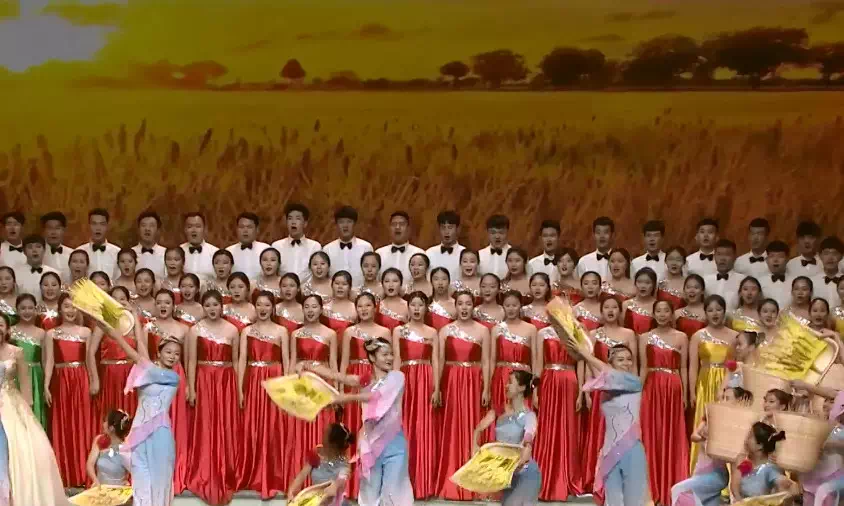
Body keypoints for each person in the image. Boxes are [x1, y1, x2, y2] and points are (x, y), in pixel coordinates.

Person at [301, 337, 414, 506]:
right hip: (370, 446)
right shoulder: (366, 381)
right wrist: (307, 365)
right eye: (385, 355)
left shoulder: (397, 377)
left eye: (391, 354)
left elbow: (375, 396)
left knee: (394, 492)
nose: (390, 358)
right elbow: (339, 376)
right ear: (372, 358)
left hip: (393, 445)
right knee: (370, 493)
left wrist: (343, 398)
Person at [96, 314, 183, 506]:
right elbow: (141, 347)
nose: (172, 356)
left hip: (159, 434)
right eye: (168, 352)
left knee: (159, 482)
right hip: (139, 434)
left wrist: (117, 337)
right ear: (159, 353)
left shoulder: (172, 377)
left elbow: (137, 355)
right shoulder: (149, 369)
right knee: (141, 481)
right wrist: (134, 319)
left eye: (177, 354)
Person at [567, 334, 650, 506]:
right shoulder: (607, 382)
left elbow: (607, 373)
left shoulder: (634, 382)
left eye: (629, 359)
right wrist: (584, 350)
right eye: (620, 359)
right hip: (610, 448)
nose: (626, 363)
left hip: (631, 447)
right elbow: (599, 375)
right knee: (613, 499)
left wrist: (586, 354)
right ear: (611, 362)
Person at [0, 313, 71, 505]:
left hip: (12, 403)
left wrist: (28, 413)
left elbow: (25, 386)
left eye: (1, 325)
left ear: (7, 329)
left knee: (22, 449)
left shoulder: (16, 352)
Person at [185, 290, 242, 505]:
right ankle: (204, 469)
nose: (211, 309)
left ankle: (226, 470)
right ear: (203, 307)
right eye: (207, 305)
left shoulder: (232, 330)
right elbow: (191, 361)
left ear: (222, 307)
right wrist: (191, 387)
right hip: (204, 380)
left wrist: (238, 389)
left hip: (225, 381)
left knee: (225, 424)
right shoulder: (195, 330)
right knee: (205, 425)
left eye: (215, 305)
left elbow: (236, 362)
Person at [436, 291, 490, 500]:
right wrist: (437, 387)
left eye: (468, 304)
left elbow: (486, 361)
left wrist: (486, 388)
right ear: (455, 306)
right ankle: (451, 478)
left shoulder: (483, 331)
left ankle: (473, 480)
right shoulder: (445, 330)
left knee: (472, 425)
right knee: (452, 427)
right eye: (460, 304)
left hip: (473, 382)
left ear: (473, 307)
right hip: (451, 381)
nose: (464, 308)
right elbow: (440, 360)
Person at [583, 296, 636, 496]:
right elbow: (588, 363)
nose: (611, 310)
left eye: (615, 307)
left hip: (622, 391)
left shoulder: (629, 334)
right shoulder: (593, 334)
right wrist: (587, 392)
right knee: (600, 433)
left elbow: (633, 365)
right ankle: (597, 480)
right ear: (601, 311)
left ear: (620, 311)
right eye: (607, 307)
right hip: (601, 390)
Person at [237, 291, 288, 498]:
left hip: (274, 379)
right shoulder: (246, 331)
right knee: (253, 426)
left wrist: (286, 389)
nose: (263, 309)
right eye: (259, 304)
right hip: (253, 380)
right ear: (254, 307)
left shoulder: (282, 331)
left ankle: (273, 475)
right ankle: (253, 473)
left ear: (273, 308)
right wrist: (240, 388)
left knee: (273, 427)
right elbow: (242, 359)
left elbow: (286, 362)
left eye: (267, 305)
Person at [639, 300, 689, 504]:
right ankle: (651, 487)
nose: (662, 314)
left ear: (672, 314)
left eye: (666, 311)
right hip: (652, 387)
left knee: (671, 432)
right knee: (651, 433)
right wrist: (638, 391)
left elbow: (684, 367)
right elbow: (643, 367)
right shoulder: (644, 337)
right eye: (658, 311)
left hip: (673, 387)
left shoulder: (682, 337)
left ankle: (671, 484)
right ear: (653, 314)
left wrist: (685, 393)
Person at [340, 293, 390, 498]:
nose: (364, 309)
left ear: (375, 307)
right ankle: (350, 485)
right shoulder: (349, 332)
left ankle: (374, 484)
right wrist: (341, 388)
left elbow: (387, 362)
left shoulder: (384, 332)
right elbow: (344, 362)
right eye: (360, 306)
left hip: (375, 381)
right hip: (354, 382)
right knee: (353, 430)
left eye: (368, 305)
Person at [43, 293, 95, 487]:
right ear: (59, 309)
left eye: (74, 306)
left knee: (82, 423)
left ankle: (82, 472)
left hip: (81, 379)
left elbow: (89, 360)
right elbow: (49, 361)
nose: (71, 310)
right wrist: (46, 385)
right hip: (60, 381)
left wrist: (92, 381)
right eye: (66, 306)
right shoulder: (51, 334)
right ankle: (65, 474)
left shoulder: (86, 332)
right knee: (62, 423)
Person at [671, 386, 754, 506]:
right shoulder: (710, 416)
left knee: (678, 490)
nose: (723, 401)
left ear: (737, 401)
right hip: (699, 471)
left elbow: (735, 457)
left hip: (716, 474)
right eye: (723, 397)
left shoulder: (735, 425)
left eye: (728, 398)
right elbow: (694, 436)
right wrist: (706, 438)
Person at [392, 291, 440, 499]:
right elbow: (396, 358)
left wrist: (436, 387)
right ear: (408, 307)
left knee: (423, 427)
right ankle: (400, 483)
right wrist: (394, 385)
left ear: (426, 308)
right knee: (403, 427)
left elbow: (436, 360)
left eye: (421, 305)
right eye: (413, 305)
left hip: (425, 380)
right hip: (405, 378)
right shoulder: (398, 331)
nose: (417, 309)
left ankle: (422, 483)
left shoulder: (432, 332)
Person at [288, 295, 338, 486]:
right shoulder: (296, 334)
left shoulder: (330, 334)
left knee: (322, 428)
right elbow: (293, 362)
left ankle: (324, 478)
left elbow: (333, 364)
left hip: (322, 383)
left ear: (321, 310)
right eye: (307, 307)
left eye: (314, 307)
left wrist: (335, 390)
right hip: (302, 384)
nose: (310, 310)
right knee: (301, 429)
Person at [145, 288, 191, 494]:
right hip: (155, 377)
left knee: (175, 424)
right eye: (159, 302)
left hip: (176, 378)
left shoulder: (183, 329)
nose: (163, 306)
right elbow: (144, 357)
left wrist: (189, 385)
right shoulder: (148, 327)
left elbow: (187, 360)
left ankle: (176, 470)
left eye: (167, 302)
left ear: (174, 306)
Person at [472, 371, 541, 506]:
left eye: (510, 382)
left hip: (524, 474)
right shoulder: (498, 411)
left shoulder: (530, 417)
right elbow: (478, 429)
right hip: (506, 473)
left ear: (521, 388)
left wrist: (518, 461)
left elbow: (528, 442)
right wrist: (475, 447)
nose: (506, 385)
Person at [688, 294, 738, 472]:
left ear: (724, 311)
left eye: (718, 309)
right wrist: (692, 392)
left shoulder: (734, 336)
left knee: (725, 425)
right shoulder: (698, 336)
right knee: (703, 424)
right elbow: (693, 366)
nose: (715, 313)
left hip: (727, 382)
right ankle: (701, 470)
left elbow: (737, 365)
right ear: (705, 313)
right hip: (705, 382)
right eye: (710, 310)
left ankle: (727, 473)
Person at [533, 321, 583, 500]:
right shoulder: (542, 333)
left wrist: (581, 391)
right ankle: (544, 476)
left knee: (567, 428)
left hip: (569, 381)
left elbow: (580, 362)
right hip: (548, 380)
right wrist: (535, 390)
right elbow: (538, 364)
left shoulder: (576, 332)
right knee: (547, 428)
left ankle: (565, 476)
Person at [88, 285, 147, 420]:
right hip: (109, 375)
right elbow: (91, 352)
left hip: (130, 374)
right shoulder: (103, 322)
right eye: (114, 299)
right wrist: (94, 379)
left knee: (129, 413)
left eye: (122, 299)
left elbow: (141, 346)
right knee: (110, 413)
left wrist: (134, 316)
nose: (118, 302)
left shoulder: (134, 323)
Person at [791, 380, 844, 506]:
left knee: (823, 492)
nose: (828, 404)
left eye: (832, 402)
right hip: (813, 476)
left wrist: (830, 446)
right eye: (826, 400)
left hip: (833, 476)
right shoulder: (821, 425)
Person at [490, 291, 536, 413]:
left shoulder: (531, 329)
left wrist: (535, 386)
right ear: (503, 306)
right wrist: (489, 384)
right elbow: (492, 360)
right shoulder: (496, 329)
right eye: (507, 305)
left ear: (521, 305)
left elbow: (535, 360)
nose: (511, 309)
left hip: (523, 378)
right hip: (501, 377)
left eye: (514, 305)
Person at [287, 423, 353, 506]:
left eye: (326, 435)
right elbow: (302, 474)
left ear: (333, 444)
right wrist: (292, 489)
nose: (322, 437)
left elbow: (342, 480)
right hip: (316, 501)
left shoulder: (344, 462)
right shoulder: (317, 453)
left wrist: (335, 486)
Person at [729, 423, 797, 502]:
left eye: (750, 436)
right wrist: (740, 502)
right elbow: (735, 485)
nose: (746, 440)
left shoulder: (770, 468)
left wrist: (791, 487)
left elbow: (782, 484)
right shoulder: (745, 462)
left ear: (760, 445)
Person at [11, 294, 47, 428]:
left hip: (36, 375)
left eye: (30, 308)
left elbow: (44, 360)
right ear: (17, 310)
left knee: (35, 410)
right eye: (23, 308)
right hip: (16, 375)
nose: (27, 311)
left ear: (36, 310)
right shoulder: (10, 332)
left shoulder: (41, 333)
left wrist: (46, 383)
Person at [323, 206, 373, 288]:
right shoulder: (327, 249)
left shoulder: (366, 247)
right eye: (341, 222)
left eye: (349, 222)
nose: (345, 225)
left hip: (361, 293)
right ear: (336, 225)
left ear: (355, 224)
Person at [272, 203, 321, 284]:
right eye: (290, 218)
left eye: (298, 218)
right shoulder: (276, 246)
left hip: (307, 290)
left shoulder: (315, 246)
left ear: (305, 223)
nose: (293, 222)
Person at [85, 410, 131, 488]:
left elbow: (137, 472)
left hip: (118, 491)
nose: (103, 424)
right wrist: (95, 480)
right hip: (100, 489)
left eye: (105, 421)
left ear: (111, 428)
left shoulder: (126, 448)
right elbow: (90, 464)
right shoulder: (99, 440)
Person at [375, 211, 423, 283]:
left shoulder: (419, 253)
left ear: (408, 228)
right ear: (389, 228)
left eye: (402, 224)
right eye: (394, 224)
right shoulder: (379, 253)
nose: (397, 227)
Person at [78, 208, 121, 280]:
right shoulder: (79, 252)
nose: (98, 228)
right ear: (88, 226)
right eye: (94, 224)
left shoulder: (117, 252)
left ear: (107, 226)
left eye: (102, 224)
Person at [225, 212, 269, 281]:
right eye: (241, 227)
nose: (245, 230)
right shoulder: (229, 251)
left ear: (257, 230)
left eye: (249, 227)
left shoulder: (266, 249)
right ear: (236, 230)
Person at [15, 234, 59, 302]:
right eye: (30, 247)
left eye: (38, 247)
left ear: (44, 250)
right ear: (24, 251)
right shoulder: (16, 274)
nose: (34, 250)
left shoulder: (55, 273)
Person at [425, 210, 465, 282]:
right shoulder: (429, 253)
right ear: (439, 229)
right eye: (443, 228)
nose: (446, 232)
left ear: (458, 229)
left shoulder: (465, 254)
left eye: (450, 227)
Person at [703, 239, 741, 311]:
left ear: (735, 257)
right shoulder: (705, 280)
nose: (722, 259)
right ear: (714, 256)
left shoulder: (742, 281)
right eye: (719, 254)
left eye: (727, 254)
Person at [181, 212, 219, 282]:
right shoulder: (178, 252)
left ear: (204, 229)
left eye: (198, 226)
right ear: (185, 229)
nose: (194, 230)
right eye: (189, 227)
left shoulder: (215, 252)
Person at [323, 271, 358, 344]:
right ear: (332, 285)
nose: (340, 287)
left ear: (350, 287)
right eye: (337, 283)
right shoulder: (324, 309)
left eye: (344, 284)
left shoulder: (356, 309)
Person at [621, 267, 657, 335]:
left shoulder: (658, 305)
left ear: (654, 285)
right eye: (639, 282)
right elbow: (622, 329)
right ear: (635, 283)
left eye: (647, 283)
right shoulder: (626, 304)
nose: (643, 286)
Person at [132, 210, 167, 281]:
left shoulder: (166, 253)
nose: (147, 229)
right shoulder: (130, 253)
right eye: (143, 225)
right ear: (138, 229)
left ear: (158, 230)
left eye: (152, 226)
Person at [812, 236, 844, 309]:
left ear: (842, 256)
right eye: (826, 253)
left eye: (834, 253)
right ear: (820, 256)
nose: (830, 258)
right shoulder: (812, 282)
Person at [760, 240, 793, 310]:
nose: (775, 260)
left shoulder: (795, 282)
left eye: (780, 256)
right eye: (772, 256)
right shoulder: (759, 282)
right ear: (766, 260)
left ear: (787, 259)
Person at [40, 212, 71, 284]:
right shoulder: (38, 255)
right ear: (44, 231)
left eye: (57, 228)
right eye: (49, 228)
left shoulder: (72, 254)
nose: (53, 232)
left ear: (63, 230)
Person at [479, 214, 511, 279]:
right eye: (493, 233)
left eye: (501, 233)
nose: (497, 236)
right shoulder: (479, 255)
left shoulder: (516, 255)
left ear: (507, 232)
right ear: (487, 233)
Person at [427, 267, 456, 331]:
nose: (440, 283)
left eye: (444, 279)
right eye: (436, 279)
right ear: (431, 282)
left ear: (449, 282)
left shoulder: (455, 304)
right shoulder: (426, 303)